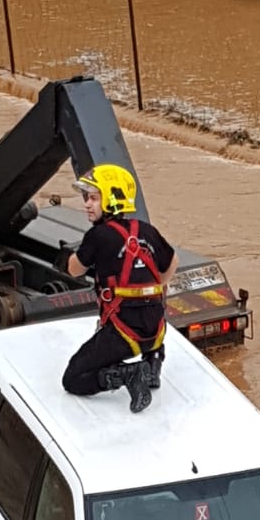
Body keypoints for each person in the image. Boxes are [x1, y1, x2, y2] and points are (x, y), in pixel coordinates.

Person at [61, 164, 177, 415]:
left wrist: (69, 256)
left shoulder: (98, 235)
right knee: (145, 313)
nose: (87, 205)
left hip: (124, 335)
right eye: (86, 198)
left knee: (73, 378)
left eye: (93, 198)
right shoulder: (147, 230)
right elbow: (171, 264)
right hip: (156, 330)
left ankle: (130, 374)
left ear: (113, 200)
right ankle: (153, 364)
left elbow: (74, 270)